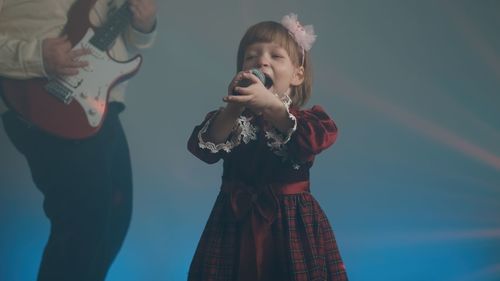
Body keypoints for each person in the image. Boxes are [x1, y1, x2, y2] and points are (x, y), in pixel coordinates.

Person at [0, 0, 157, 280]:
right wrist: (35, 56)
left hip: (99, 104)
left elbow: (130, 41)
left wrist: (144, 24)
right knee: (84, 218)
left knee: (113, 220)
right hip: (40, 95)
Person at [187, 13, 348, 281]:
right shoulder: (232, 118)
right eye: (252, 56)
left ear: (297, 75)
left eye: (276, 56)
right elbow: (204, 149)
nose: (262, 61)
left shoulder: (304, 120)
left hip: (291, 225)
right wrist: (234, 106)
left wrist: (272, 107)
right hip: (233, 222)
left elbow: (317, 138)